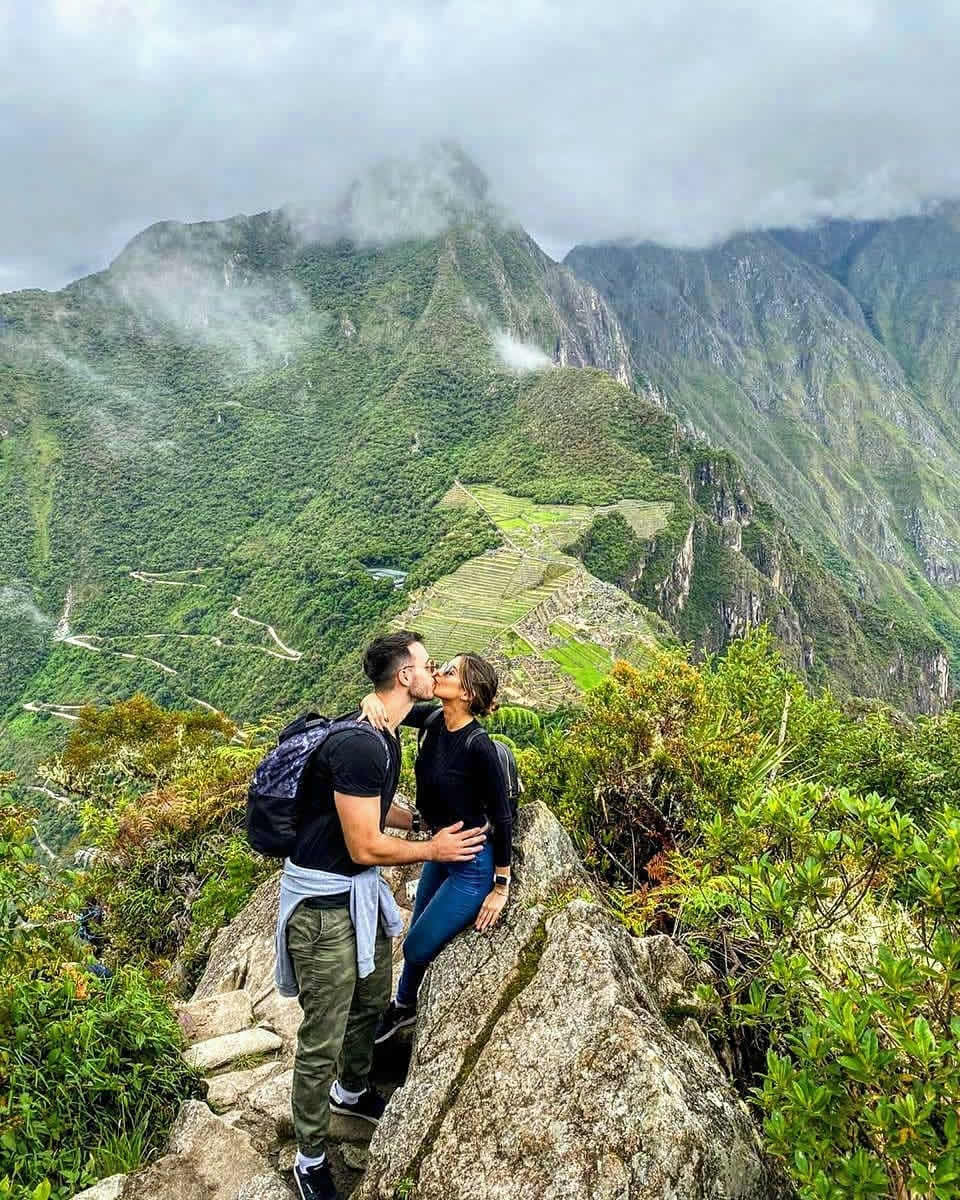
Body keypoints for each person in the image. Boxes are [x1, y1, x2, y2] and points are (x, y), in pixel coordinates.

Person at [277, 631, 488, 1200]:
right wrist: (434, 850)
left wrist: (416, 824)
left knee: (371, 997)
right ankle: (310, 1156)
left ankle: (352, 1091)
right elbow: (366, 844)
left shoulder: (388, 733)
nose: (433, 670)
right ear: (404, 677)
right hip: (323, 907)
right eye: (427, 664)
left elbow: (377, 805)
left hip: (356, 895)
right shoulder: (364, 744)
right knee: (322, 1032)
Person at [359, 652, 512, 1045]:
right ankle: (403, 1006)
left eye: (451, 672)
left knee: (415, 945)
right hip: (438, 849)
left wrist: (500, 887)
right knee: (416, 929)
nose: (440, 672)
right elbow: (391, 710)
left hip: (470, 863)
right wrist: (370, 699)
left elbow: (502, 817)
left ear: (467, 692)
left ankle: (407, 1007)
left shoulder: (480, 747)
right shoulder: (432, 720)